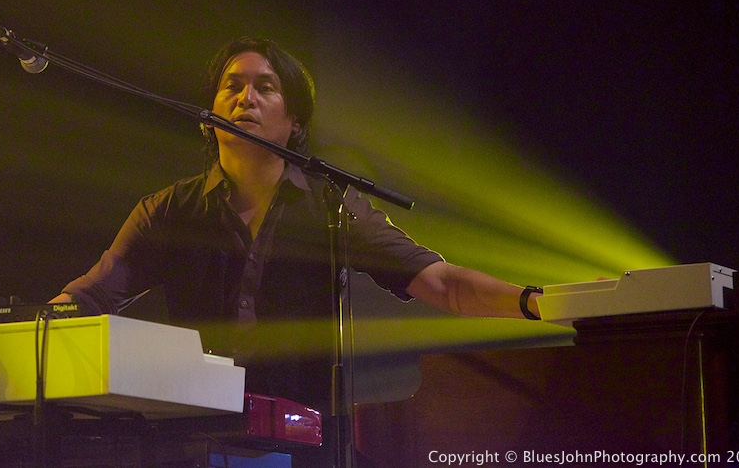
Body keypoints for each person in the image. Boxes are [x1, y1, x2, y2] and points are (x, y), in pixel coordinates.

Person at [50, 37, 544, 456]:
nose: (246, 98)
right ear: (207, 116)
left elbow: (441, 282)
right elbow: (90, 297)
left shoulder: (332, 207)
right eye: (232, 86)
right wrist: (10, 333)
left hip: (307, 446)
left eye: (266, 88)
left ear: (294, 122)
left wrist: (538, 302)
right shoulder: (167, 211)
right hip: (190, 443)